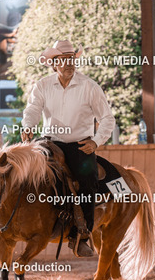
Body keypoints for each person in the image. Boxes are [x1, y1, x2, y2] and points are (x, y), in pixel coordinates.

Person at [21, 40, 116, 258]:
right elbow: (33, 109)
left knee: (88, 180)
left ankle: (82, 235)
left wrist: (96, 141)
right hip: (49, 143)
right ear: (54, 64)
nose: (68, 63)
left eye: (71, 59)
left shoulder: (89, 87)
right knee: (28, 174)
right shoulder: (43, 85)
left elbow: (107, 118)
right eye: (63, 60)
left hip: (80, 145)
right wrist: (27, 126)